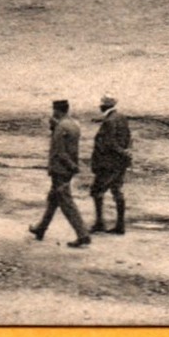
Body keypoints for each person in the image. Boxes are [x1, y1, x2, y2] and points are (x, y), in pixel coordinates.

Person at [30, 99, 92, 248]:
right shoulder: (74, 125)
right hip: (68, 169)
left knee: (66, 202)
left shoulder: (60, 127)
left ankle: (82, 234)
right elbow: (71, 147)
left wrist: (71, 166)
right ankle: (41, 228)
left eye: (54, 110)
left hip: (60, 170)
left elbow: (60, 152)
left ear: (57, 110)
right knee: (53, 199)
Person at [88, 95, 132, 235]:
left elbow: (110, 143)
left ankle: (100, 223)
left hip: (108, 164)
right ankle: (120, 225)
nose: (99, 106)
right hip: (120, 164)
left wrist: (122, 152)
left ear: (105, 106)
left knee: (96, 191)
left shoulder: (109, 121)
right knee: (117, 190)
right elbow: (128, 138)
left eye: (101, 105)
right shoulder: (121, 117)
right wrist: (126, 152)